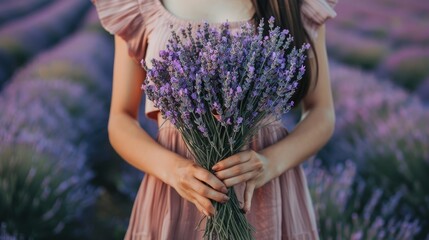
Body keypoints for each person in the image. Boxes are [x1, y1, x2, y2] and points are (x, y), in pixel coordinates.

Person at [91, 0, 338, 239]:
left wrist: (270, 163)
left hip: (265, 191)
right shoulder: (140, 4)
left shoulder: (291, 3)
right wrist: (174, 170)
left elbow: (321, 112)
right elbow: (121, 120)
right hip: (178, 192)